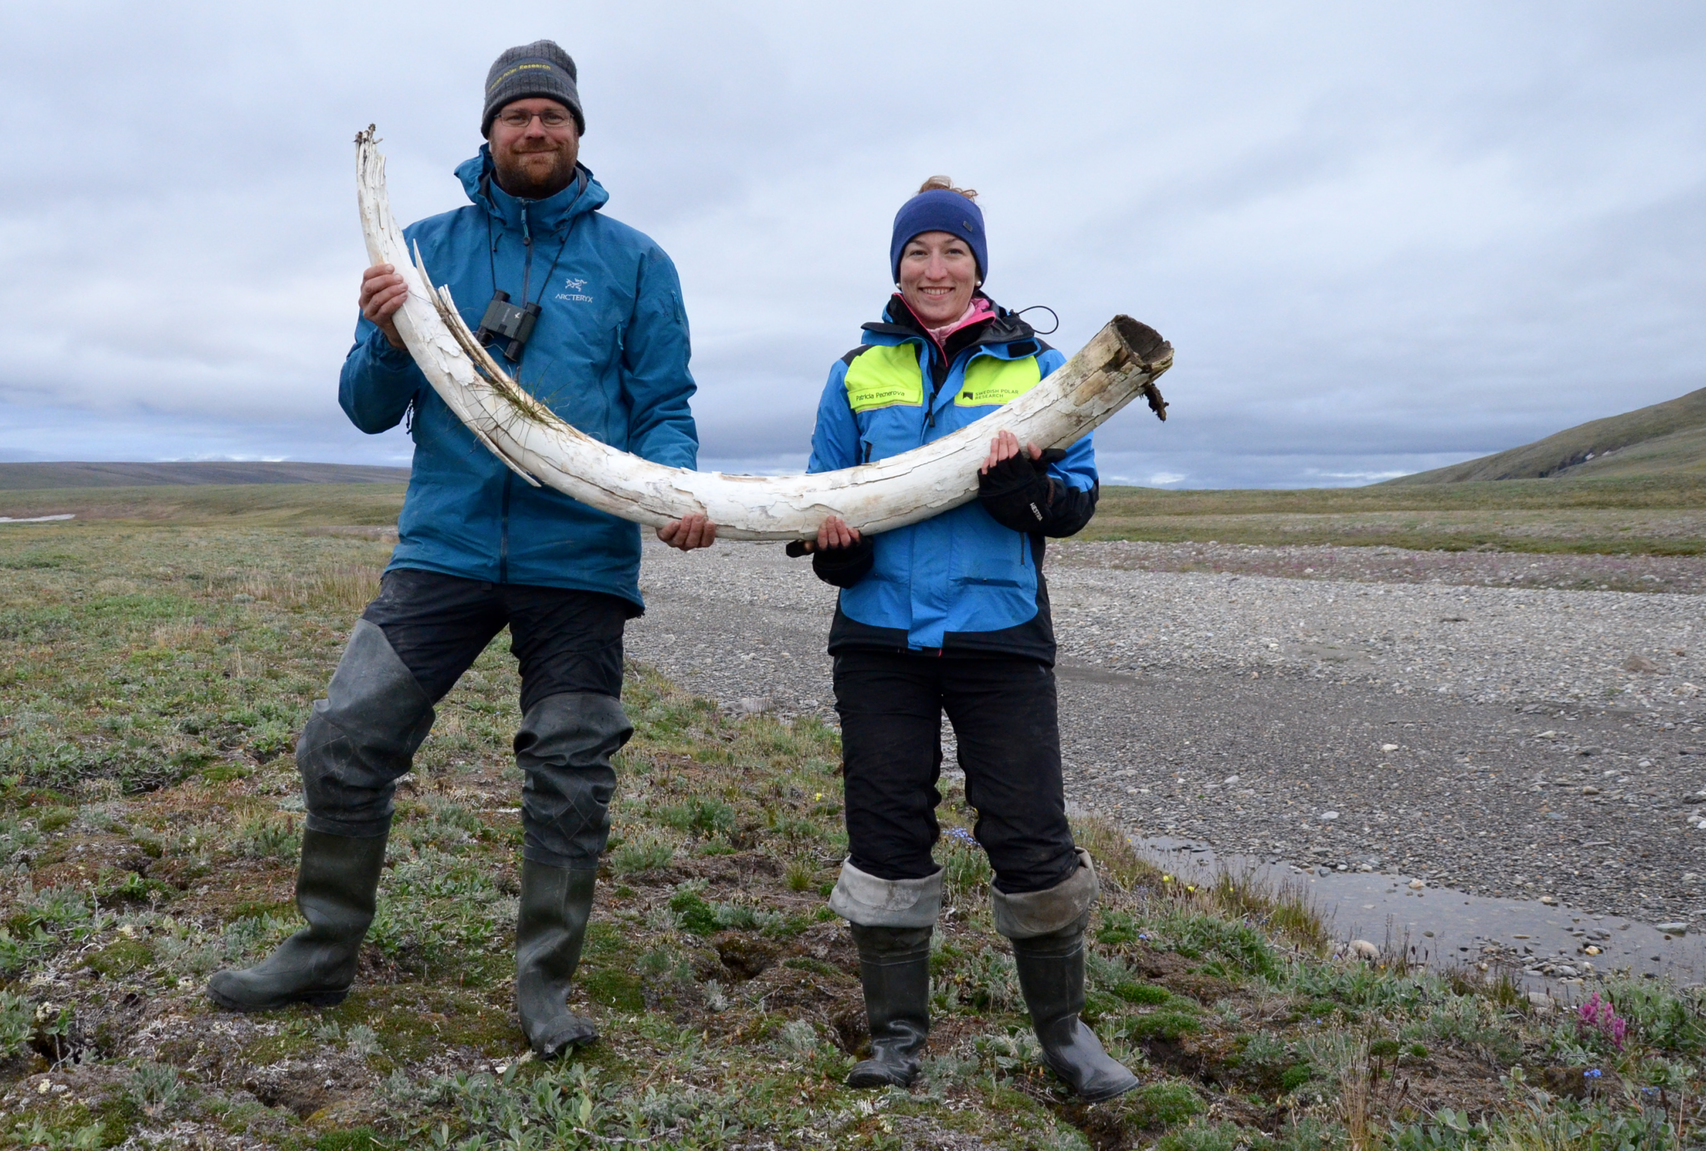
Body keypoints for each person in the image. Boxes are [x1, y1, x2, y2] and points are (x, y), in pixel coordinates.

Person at [209, 40, 716, 1062]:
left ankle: (545, 987)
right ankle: (320, 949)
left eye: (553, 117)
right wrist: (384, 334)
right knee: (343, 737)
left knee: (570, 772)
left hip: (578, 560)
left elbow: (663, 406)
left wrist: (676, 491)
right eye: (517, 116)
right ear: (487, 131)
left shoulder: (636, 262)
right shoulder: (422, 244)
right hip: (441, 549)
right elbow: (363, 409)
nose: (536, 130)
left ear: (578, 132)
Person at [799, 177, 1138, 1101]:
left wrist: (1021, 492)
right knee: (885, 831)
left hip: (1000, 635)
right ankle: (895, 1040)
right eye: (918, 252)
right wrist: (839, 554)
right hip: (876, 639)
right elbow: (822, 498)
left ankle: (1065, 1039)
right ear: (896, 266)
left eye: (952, 251)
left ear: (980, 265)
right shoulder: (853, 372)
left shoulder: (1047, 371)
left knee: (1030, 837)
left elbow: (1075, 502)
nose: (934, 267)